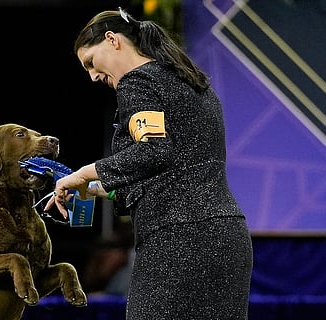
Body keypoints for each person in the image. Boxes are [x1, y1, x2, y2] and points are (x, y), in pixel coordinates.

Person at [45, 7, 253, 320]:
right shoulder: (191, 81)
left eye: (90, 62)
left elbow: (155, 151)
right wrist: (99, 188)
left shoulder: (138, 82)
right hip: (227, 238)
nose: (92, 76)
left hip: (178, 243)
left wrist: (81, 174)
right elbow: (168, 169)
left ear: (112, 40)